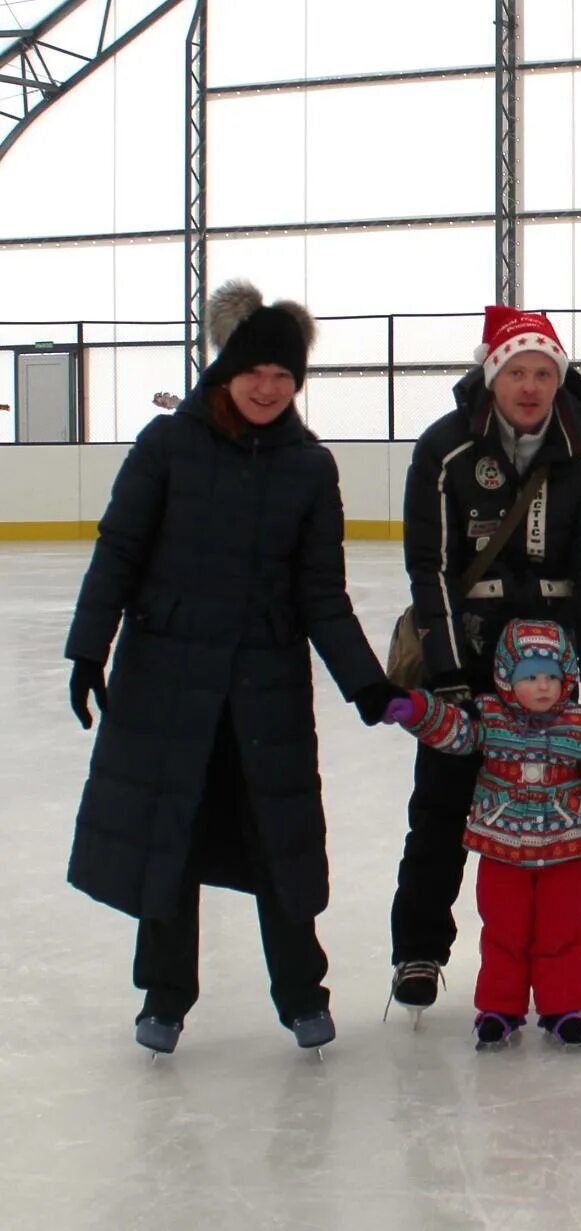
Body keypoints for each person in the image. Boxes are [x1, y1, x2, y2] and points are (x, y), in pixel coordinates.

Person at [64, 279, 399, 1055]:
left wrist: (366, 682)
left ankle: (301, 993)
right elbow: (118, 549)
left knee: (278, 839)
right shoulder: (166, 446)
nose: (268, 387)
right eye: (256, 371)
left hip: (264, 687)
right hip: (166, 682)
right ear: (224, 368)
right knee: (168, 839)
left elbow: (322, 595)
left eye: (284, 376)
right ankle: (164, 995)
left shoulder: (310, 469)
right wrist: (89, 644)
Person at [389, 305, 581, 1021]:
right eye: (516, 371)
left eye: (543, 372)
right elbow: (426, 570)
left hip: (549, 672)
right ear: (492, 376)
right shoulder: (445, 448)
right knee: (442, 804)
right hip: (466, 653)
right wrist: (451, 672)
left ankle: (570, 938)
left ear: (560, 379)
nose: (529, 386)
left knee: (558, 806)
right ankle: (420, 947)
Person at [382, 620, 581, 1050]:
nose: (542, 687)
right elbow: (454, 730)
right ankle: (498, 1010)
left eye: (551, 676)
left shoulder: (580, 727)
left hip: (564, 858)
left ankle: (564, 1009)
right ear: (507, 679)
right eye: (529, 677)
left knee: (562, 936)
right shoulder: (490, 718)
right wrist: (418, 710)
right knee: (503, 936)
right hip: (502, 854)